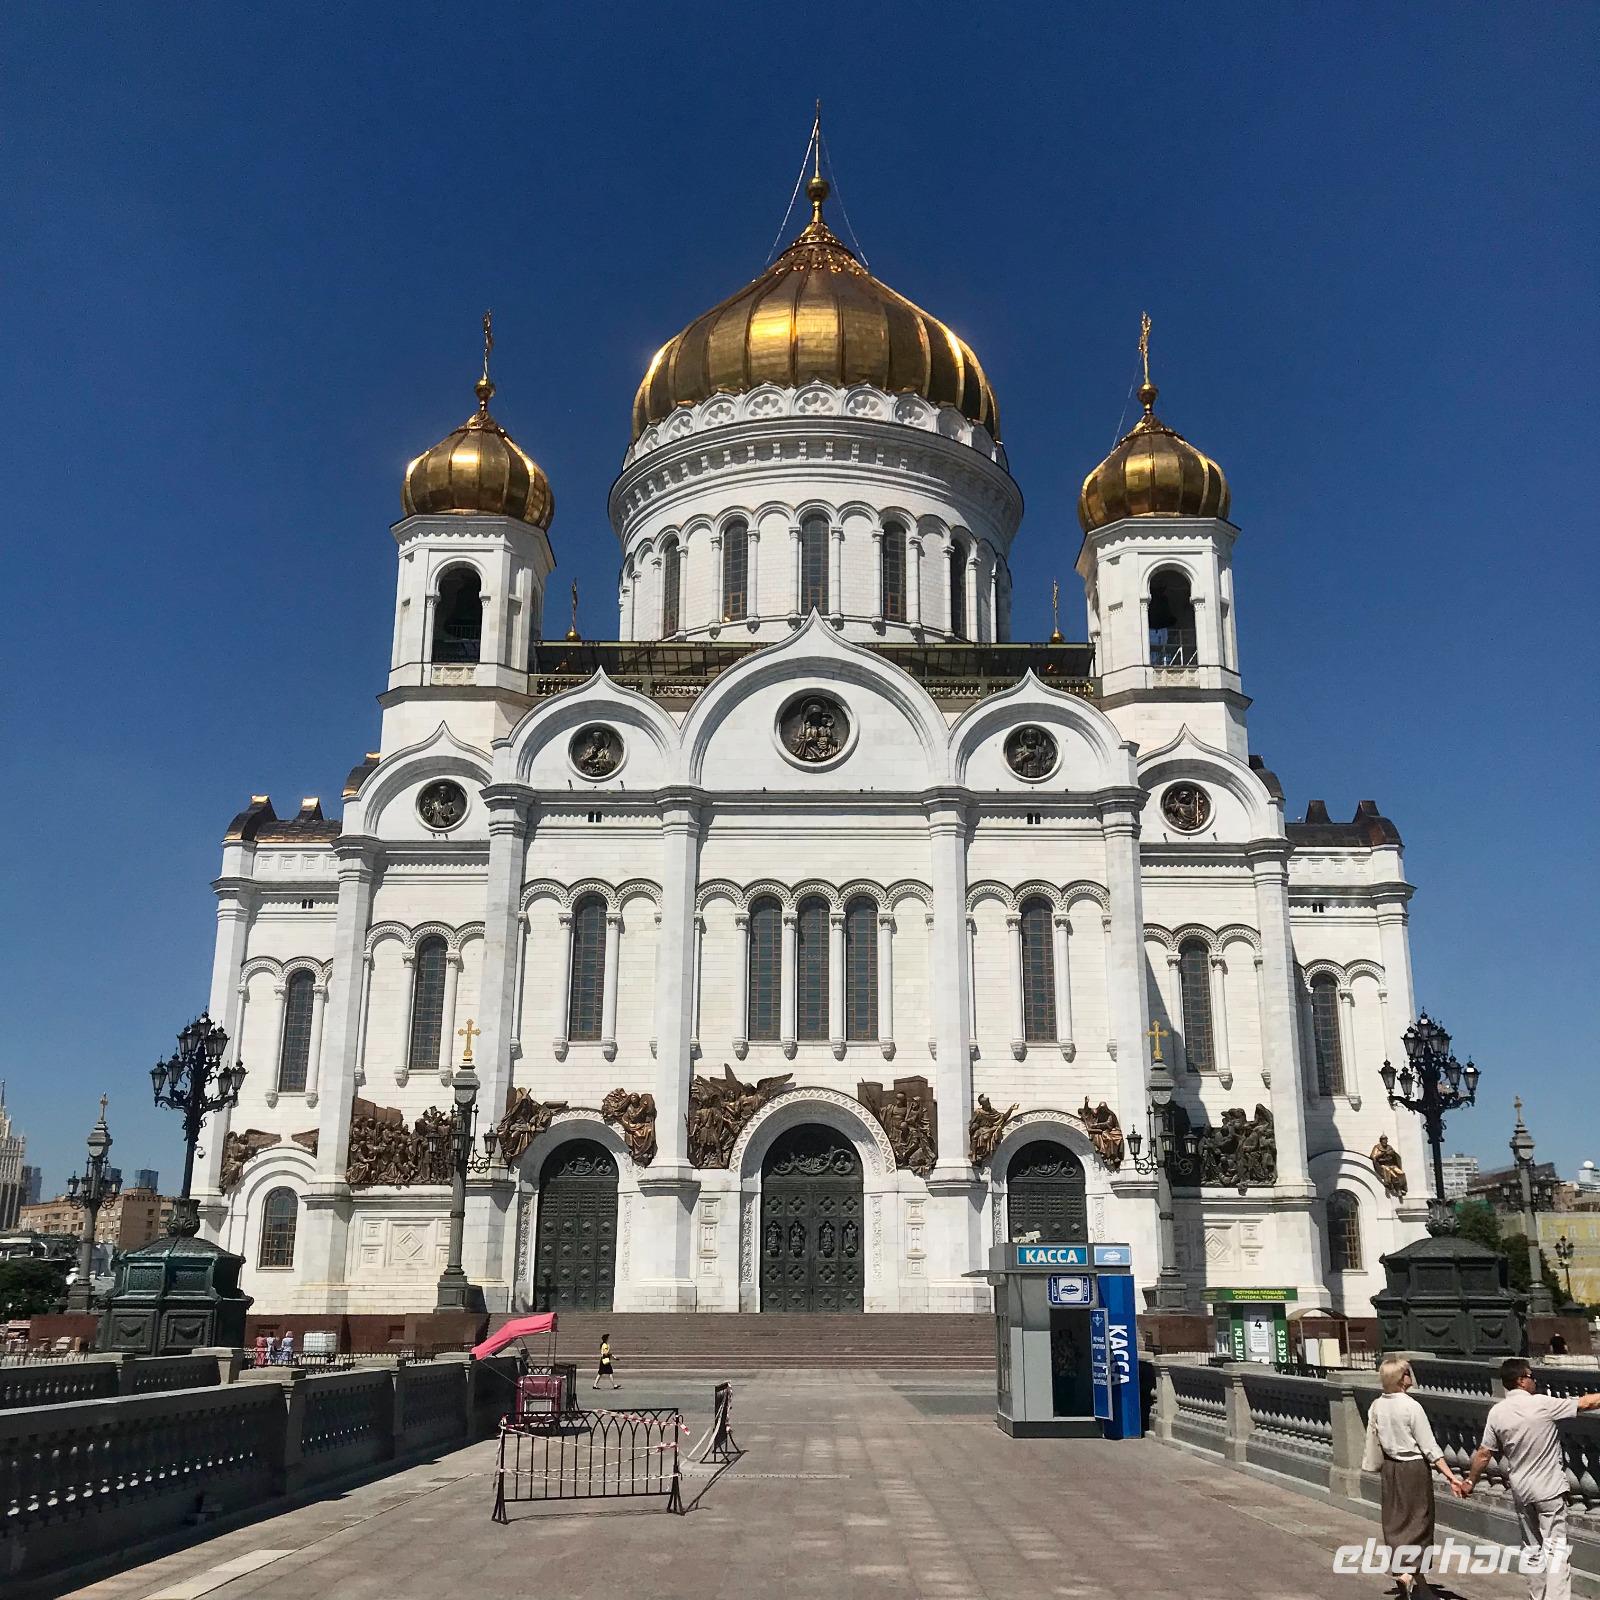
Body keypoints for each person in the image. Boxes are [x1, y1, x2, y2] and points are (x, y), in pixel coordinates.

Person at [1463, 1357, 1600, 1600]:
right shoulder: (1542, 1404)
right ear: (1521, 1380)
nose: (1534, 1380)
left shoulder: (1497, 1412)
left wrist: (1470, 1481)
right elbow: (1586, 1403)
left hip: (1521, 1489)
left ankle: (1537, 1596)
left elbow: (1484, 1454)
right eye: (1530, 1375)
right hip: (1548, 1489)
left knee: (1532, 1549)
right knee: (1556, 1550)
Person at [1362, 1355, 1465, 1593]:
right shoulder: (1411, 1406)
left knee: (1396, 1521)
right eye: (1408, 1372)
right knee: (1419, 1522)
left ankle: (1419, 1586)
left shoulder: (1377, 1405)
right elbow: (1430, 1447)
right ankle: (1408, 1573)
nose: (1411, 1376)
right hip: (1414, 1469)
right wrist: (1451, 1477)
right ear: (1401, 1378)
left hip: (1390, 1468)